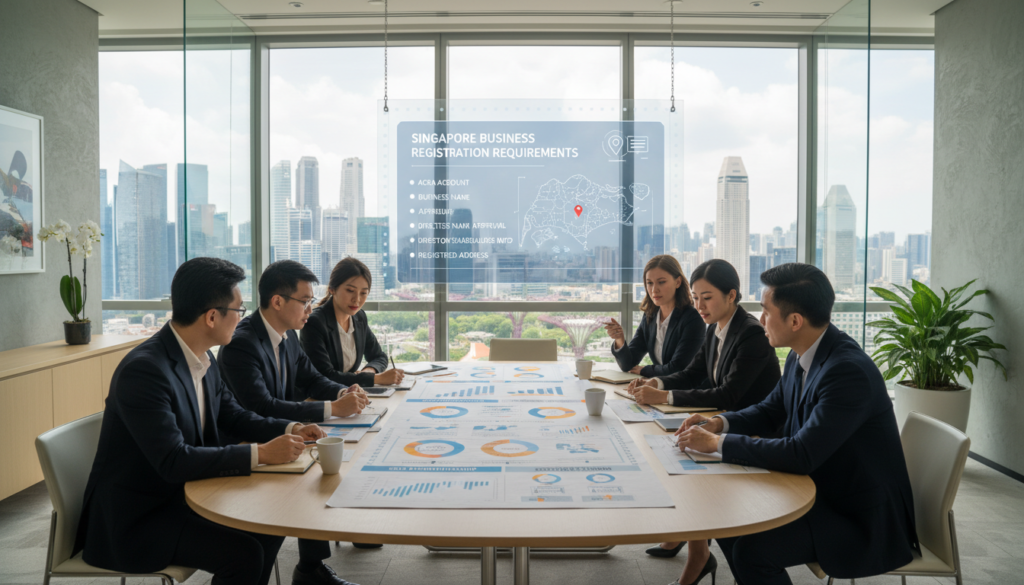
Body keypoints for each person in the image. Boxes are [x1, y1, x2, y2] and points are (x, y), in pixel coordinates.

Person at [76, 257, 325, 585]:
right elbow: (173, 460)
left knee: (270, 525)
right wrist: (262, 454)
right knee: (243, 552)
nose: (242, 318)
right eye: (239, 310)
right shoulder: (145, 371)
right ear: (211, 317)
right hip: (139, 519)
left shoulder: (202, 356)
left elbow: (234, 416)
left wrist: (291, 428)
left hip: (190, 494)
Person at [676, 263, 918, 585]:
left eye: (765, 311)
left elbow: (802, 453)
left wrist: (717, 446)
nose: (760, 319)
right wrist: (718, 424)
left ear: (794, 321)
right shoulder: (801, 352)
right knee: (725, 521)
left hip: (856, 517)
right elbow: (769, 410)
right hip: (817, 490)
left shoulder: (847, 372)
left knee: (752, 551)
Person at [626, 259, 781, 585]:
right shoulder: (716, 328)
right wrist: (660, 384)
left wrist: (665, 399)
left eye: (706, 297)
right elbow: (693, 373)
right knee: (673, 451)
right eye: (695, 297)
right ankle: (699, 555)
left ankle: (697, 555)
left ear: (731, 295)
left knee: (679, 460)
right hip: (721, 422)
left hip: (751, 434)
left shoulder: (751, 334)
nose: (699, 305)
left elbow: (727, 394)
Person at [220, 259, 373, 585]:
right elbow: (259, 405)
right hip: (250, 442)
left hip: (279, 431)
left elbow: (313, 378)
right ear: (277, 301)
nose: (310, 308)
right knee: (316, 471)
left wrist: (345, 390)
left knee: (324, 466)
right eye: (304, 301)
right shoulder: (243, 343)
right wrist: (333, 408)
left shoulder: (287, 334)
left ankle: (310, 569)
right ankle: (309, 570)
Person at [300, 257, 405, 388]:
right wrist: (375, 379)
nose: (357, 299)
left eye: (363, 293)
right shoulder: (315, 323)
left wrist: (368, 372)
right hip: (321, 399)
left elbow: (379, 356)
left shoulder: (359, 318)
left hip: (350, 394)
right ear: (332, 288)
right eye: (350, 291)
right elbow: (326, 376)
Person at [604, 254, 704, 377]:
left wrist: (645, 370)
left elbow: (678, 368)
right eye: (649, 283)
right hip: (662, 388)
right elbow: (628, 365)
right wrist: (619, 339)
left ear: (678, 282)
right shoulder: (650, 316)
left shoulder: (692, 319)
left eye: (661, 282)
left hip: (687, 392)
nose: (654, 290)